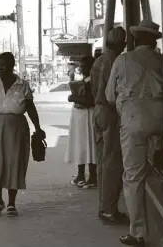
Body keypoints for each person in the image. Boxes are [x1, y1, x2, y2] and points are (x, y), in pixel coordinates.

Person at [106, 19, 163, 247]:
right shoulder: (162, 60)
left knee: (133, 176)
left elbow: (110, 96)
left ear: (136, 39)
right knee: (159, 167)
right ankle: (159, 153)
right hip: (162, 119)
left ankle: (137, 232)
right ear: (154, 41)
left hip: (133, 120)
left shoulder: (123, 59)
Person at [0, 52, 45, 218]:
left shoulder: (22, 85)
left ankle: (12, 202)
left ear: (12, 66)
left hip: (17, 128)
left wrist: (38, 128)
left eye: (3, 64)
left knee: (15, 162)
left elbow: (30, 107)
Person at [90, 27, 129, 225]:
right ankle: (109, 209)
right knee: (113, 162)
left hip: (97, 111)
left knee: (102, 160)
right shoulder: (117, 61)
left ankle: (104, 206)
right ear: (122, 43)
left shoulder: (99, 61)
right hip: (110, 111)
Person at [65, 56, 97, 189]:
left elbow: (90, 101)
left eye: (83, 66)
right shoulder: (85, 80)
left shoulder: (91, 82)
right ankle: (81, 175)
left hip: (87, 116)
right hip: (81, 117)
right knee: (82, 145)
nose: (80, 68)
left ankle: (92, 176)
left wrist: (73, 97)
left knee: (88, 145)